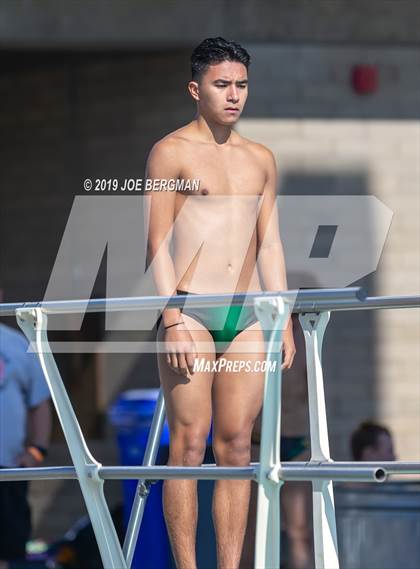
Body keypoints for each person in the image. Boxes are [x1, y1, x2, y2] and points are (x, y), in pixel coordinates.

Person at [145, 36, 296, 569]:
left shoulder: (260, 158)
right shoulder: (171, 151)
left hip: (248, 313)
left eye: (241, 85)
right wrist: (172, 319)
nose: (234, 95)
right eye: (221, 84)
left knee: (236, 446)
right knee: (188, 443)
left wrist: (284, 317)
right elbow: (157, 243)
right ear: (195, 89)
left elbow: (271, 242)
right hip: (189, 310)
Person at [241, 313, 314, 569]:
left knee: (299, 530)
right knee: (248, 531)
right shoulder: (256, 329)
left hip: (295, 441)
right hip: (258, 443)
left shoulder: (307, 335)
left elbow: (310, 392)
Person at [0, 320, 52, 566]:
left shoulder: (17, 343)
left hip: (9, 469)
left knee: (10, 549)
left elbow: (39, 401)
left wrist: (37, 449)